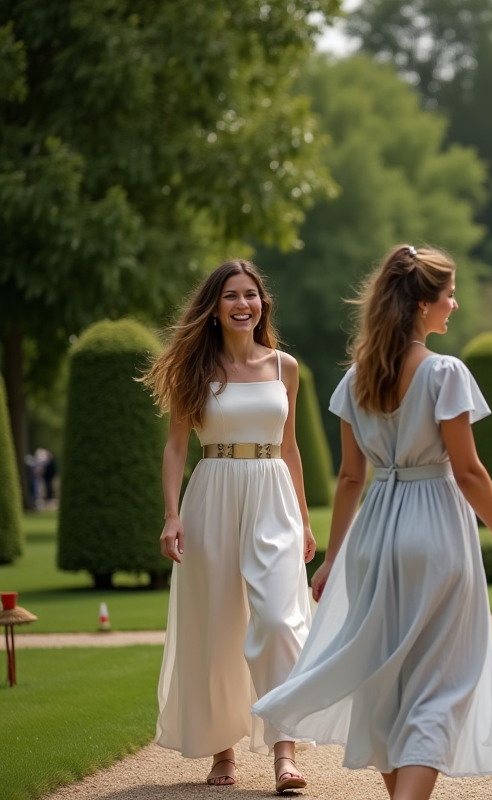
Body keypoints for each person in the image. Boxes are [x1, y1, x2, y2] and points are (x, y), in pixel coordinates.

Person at [252, 245, 492, 800]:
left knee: (384, 678)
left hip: (374, 533)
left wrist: (333, 556)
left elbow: (351, 479)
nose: (454, 303)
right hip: (436, 528)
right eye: (448, 294)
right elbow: (469, 471)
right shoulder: (445, 372)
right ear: (423, 303)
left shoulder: (357, 378)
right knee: (441, 684)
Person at [142, 260, 316, 790]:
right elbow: (175, 448)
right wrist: (172, 515)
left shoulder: (285, 367)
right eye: (231, 296)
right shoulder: (193, 369)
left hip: (272, 497)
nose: (243, 305)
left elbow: (290, 449)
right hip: (212, 492)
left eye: (252, 295)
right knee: (218, 626)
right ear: (214, 308)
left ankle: (283, 751)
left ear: (263, 304)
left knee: (281, 620)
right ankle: (223, 754)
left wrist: (305, 521)